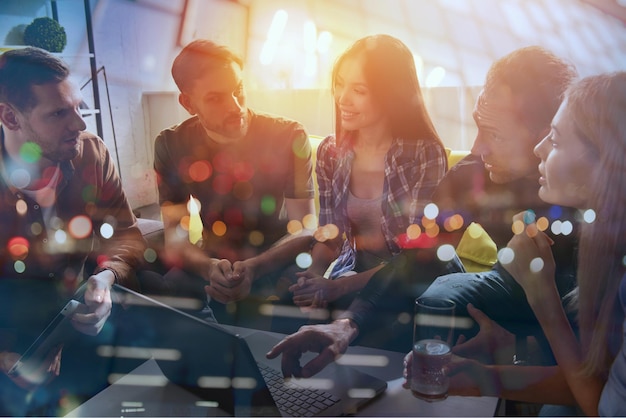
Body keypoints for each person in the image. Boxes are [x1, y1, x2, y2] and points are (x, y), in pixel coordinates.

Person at [267, 46, 579, 376]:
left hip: (573, 304)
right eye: (478, 126)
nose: (476, 148)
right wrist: (346, 325)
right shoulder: (472, 176)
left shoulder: (589, 195)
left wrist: (522, 349)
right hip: (513, 282)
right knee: (442, 287)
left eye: (495, 135)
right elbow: (418, 255)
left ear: (545, 136)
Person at [404, 72, 626, 417]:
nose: (540, 148)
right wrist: (484, 377)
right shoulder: (606, 240)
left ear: (607, 159)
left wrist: (541, 294)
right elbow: (596, 380)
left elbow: (603, 408)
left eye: (554, 138)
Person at [0, 47, 146, 415]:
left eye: (78, 107)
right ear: (9, 117)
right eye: (58, 114)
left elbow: (127, 235)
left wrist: (106, 279)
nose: (80, 124)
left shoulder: (91, 154)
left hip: (79, 316)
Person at [152, 40, 316, 325]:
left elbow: (305, 226)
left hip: (279, 256)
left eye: (238, 90)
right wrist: (208, 268)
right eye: (216, 98)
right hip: (215, 261)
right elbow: (175, 238)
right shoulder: (171, 144)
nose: (235, 106)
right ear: (188, 103)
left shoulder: (288, 136)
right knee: (166, 290)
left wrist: (254, 267)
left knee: (296, 289)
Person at [287, 34, 449, 314]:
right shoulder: (330, 151)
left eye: (359, 90)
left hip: (417, 283)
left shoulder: (424, 154)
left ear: (391, 94)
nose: (342, 99)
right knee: (296, 312)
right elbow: (330, 236)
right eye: (339, 85)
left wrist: (336, 288)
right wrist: (314, 276)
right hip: (354, 273)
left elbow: (417, 259)